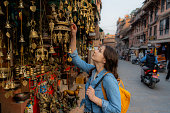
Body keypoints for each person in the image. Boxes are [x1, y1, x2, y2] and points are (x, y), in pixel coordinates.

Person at [69, 23, 121, 113]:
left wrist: (94, 98)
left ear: (105, 60)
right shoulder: (92, 70)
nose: (95, 51)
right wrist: (73, 35)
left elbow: (116, 109)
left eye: (99, 51)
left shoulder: (109, 79)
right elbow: (74, 58)